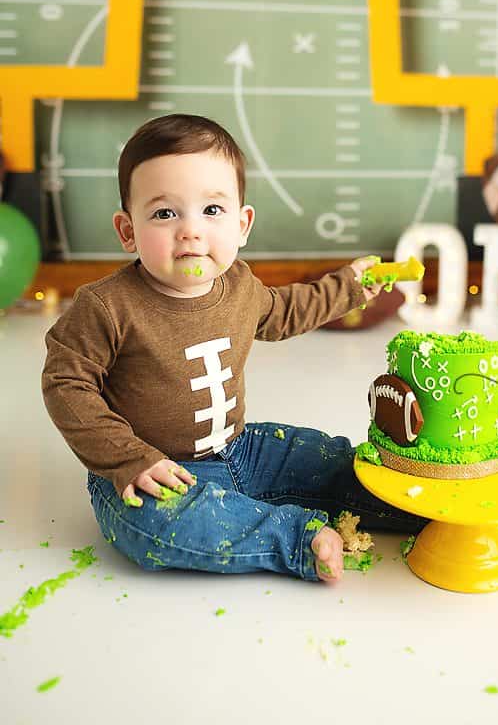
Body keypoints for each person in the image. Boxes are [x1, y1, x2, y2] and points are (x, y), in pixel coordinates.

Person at [42, 114, 423, 583]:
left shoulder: (239, 286)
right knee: (152, 527)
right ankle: (293, 538)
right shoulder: (107, 307)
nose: (190, 231)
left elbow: (285, 310)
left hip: (241, 450)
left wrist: (348, 287)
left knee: (328, 462)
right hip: (154, 472)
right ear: (127, 230)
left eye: (212, 210)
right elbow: (66, 382)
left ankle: (415, 503)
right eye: (164, 214)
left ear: (242, 225)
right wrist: (127, 458)